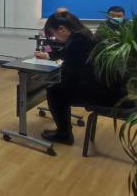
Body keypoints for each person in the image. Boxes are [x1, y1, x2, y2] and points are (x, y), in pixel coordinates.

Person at [39, 11, 126, 145]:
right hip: (113, 90)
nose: (54, 36)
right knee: (58, 89)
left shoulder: (77, 42)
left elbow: (74, 74)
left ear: (61, 28)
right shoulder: (84, 35)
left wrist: (64, 66)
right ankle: (64, 131)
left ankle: (64, 134)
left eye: (53, 32)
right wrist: (49, 56)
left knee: (55, 92)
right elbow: (65, 54)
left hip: (104, 95)